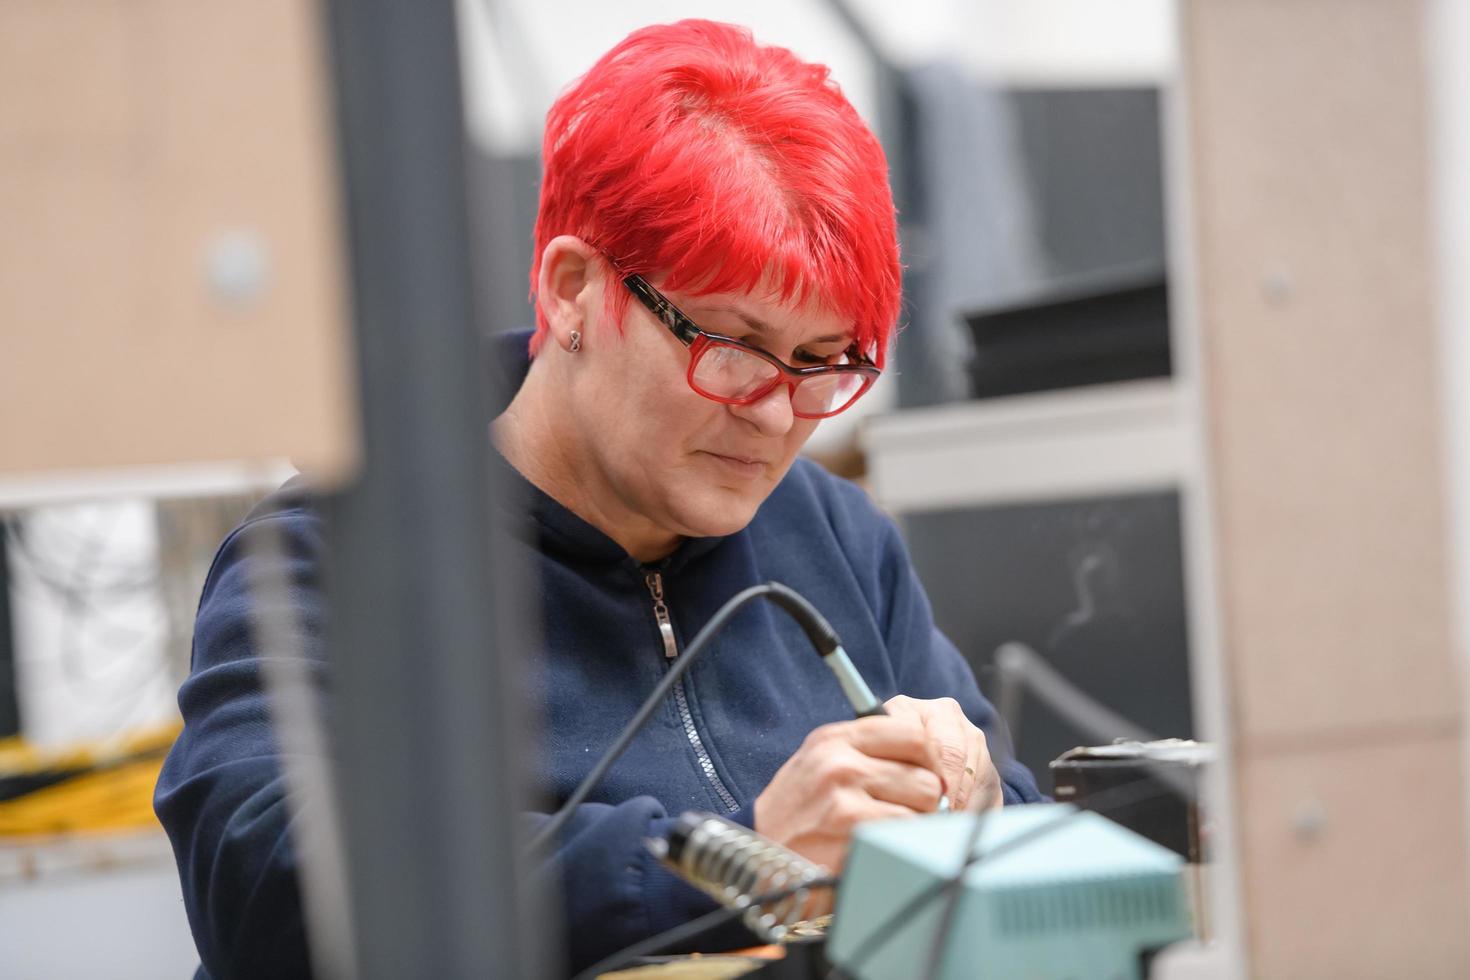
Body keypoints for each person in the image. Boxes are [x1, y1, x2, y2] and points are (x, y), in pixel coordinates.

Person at [155, 18, 1042, 978]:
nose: (778, 414)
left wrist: (980, 806)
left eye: (823, 363)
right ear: (574, 289)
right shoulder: (332, 561)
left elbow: (1022, 830)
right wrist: (734, 862)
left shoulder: (835, 538)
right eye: (732, 349)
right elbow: (268, 886)